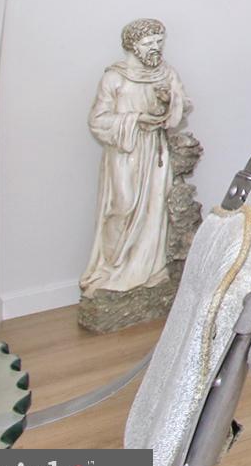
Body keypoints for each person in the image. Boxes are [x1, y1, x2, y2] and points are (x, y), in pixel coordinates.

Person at [79, 18, 191, 296]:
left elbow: (183, 104)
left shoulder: (166, 73)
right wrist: (135, 120)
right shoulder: (114, 78)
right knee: (122, 206)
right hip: (125, 153)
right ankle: (112, 268)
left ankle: (149, 270)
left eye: (159, 42)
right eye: (148, 43)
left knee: (156, 208)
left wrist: (170, 102)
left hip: (155, 151)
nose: (155, 47)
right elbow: (98, 120)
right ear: (132, 45)